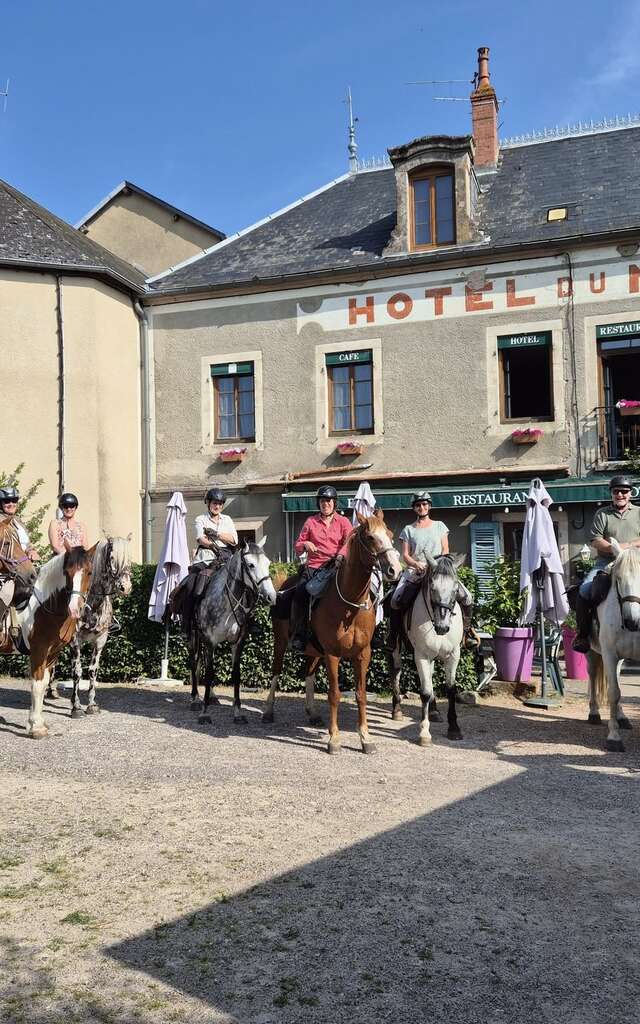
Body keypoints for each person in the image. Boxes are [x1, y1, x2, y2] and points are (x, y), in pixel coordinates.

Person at [387, 491, 474, 650]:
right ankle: (394, 637)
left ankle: (467, 634)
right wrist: (416, 564)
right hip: (416, 570)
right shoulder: (408, 529)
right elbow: (405, 555)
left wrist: (437, 565)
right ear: (414, 508)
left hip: (438, 571)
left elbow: (445, 550)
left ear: (429, 506)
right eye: (418, 505)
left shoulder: (440, 526)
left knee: (467, 596)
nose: (421, 507)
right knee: (395, 599)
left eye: (424, 504)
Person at [572, 474, 640, 653]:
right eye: (616, 491)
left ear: (630, 493)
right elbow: (596, 540)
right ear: (611, 493)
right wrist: (614, 549)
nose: (620, 495)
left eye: (624, 491)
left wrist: (624, 547)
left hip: (636, 563)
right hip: (606, 562)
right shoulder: (602, 514)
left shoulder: (639, 512)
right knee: (585, 590)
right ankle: (583, 635)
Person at [290, 484, 353, 652]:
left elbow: (349, 542)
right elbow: (297, 546)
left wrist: (341, 555)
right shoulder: (310, 522)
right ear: (318, 503)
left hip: (337, 566)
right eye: (323, 501)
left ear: (335, 503)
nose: (326, 504)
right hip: (314, 566)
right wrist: (305, 544)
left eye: (329, 501)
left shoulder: (344, 521)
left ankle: (368, 631)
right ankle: (300, 634)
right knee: (301, 593)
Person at [192, 487, 238, 566]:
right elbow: (201, 539)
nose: (217, 507)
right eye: (215, 503)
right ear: (208, 503)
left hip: (226, 556)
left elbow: (234, 540)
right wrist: (213, 546)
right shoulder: (200, 519)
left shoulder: (227, 519)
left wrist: (216, 534)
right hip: (206, 557)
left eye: (220, 504)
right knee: (199, 576)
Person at [0, 487, 40, 562]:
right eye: (7, 501)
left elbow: (26, 543)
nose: (11, 504)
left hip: (24, 561)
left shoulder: (17, 520)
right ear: (1, 504)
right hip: (10, 564)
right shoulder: (1, 521)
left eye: (14, 500)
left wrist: (31, 551)